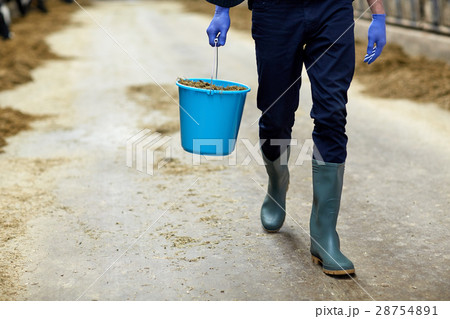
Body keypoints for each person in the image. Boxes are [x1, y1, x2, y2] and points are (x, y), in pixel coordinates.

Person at [206, 0, 386, 275]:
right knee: (275, 115)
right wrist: (222, 9)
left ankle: (324, 236)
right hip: (274, 10)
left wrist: (378, 14)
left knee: (332, 114)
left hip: (332, 9)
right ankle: (277, 184)